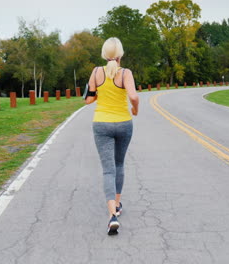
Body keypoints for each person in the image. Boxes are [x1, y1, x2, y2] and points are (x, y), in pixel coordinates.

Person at [85, 37, 139, 235]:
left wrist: (101, 91)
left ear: (104, 54)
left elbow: (88, 100)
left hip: (101, 124)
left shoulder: (96, 72)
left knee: (108, 170)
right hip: (124, 123)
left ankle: (112, 216)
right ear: (120, 54)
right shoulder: (125, 73)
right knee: (119, 165)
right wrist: (136, 109)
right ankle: (117, 204)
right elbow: (133, 96)